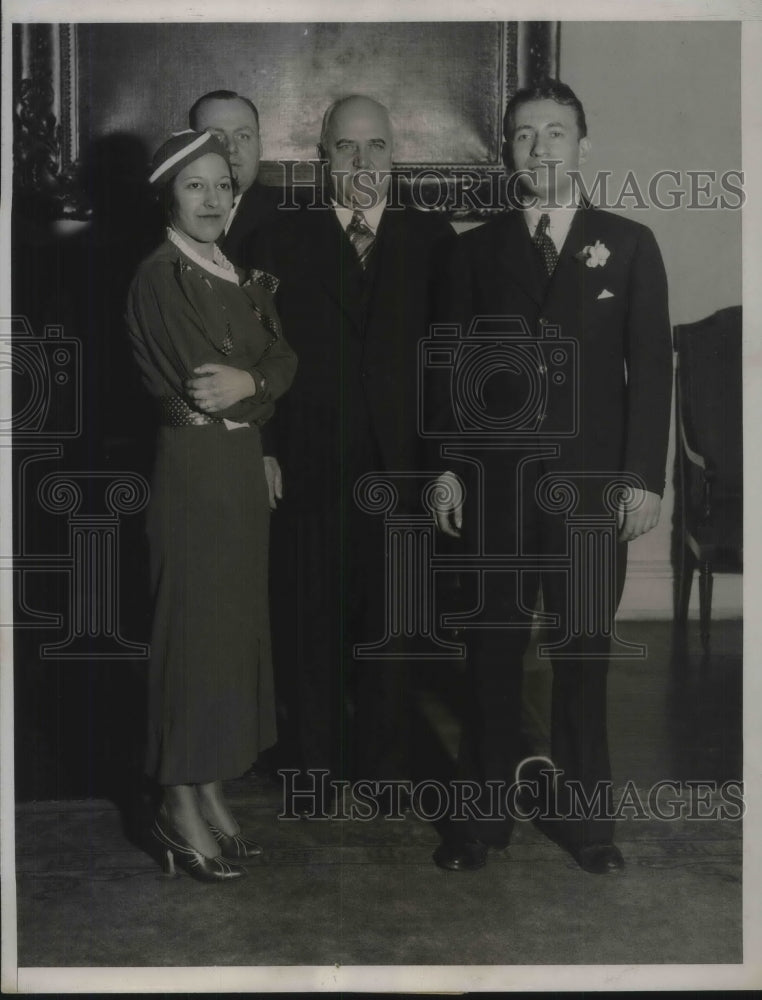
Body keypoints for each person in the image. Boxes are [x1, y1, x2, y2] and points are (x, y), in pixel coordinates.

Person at [431, 79, 672, 874]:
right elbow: (453, 375)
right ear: (506, 150)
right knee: (493, 659)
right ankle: (481, 826)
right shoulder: (475, 248)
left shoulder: (628, 242)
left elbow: (650, 373)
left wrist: (643, 479)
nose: (541, 149)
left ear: (583, 144)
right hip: (497, 493)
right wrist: (450, 473)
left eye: (557, 133)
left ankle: (590, 826)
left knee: (582, 659)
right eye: (525, 135)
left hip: (591, 493)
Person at [247, 96, 454, 801]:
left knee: (392, 628)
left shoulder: (434, 238)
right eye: (346, 148)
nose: (362, 162)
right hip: (309, 464)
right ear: (322, 158)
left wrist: (447, 466)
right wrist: (265, 446)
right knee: (309, 623)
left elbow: (450, 361)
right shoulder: (281, 240)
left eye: (375, 147)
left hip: (403, 467)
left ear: (394, 154)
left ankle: (383, 772)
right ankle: (313, 769)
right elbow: (256, 349)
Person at [125, 130, 297, 881]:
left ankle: (208, 786)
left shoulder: (230, 269)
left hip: (232, 461)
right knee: (190, 635)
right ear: (168, 194)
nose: (212, 199)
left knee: (228, 632)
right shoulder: (161, 276)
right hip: (194, 467)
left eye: (223, 184)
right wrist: (257, 385)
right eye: (195, 186)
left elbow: (279, 360)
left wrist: (255, 390)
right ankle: (173, 804)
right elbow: (208, 382)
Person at [189, 90, 281, 267]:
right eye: (215, 137)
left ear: (260, 146)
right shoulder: (156, 221)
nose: (231, 147)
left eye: (243, 136)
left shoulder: (296, 219)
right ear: (190, 146)